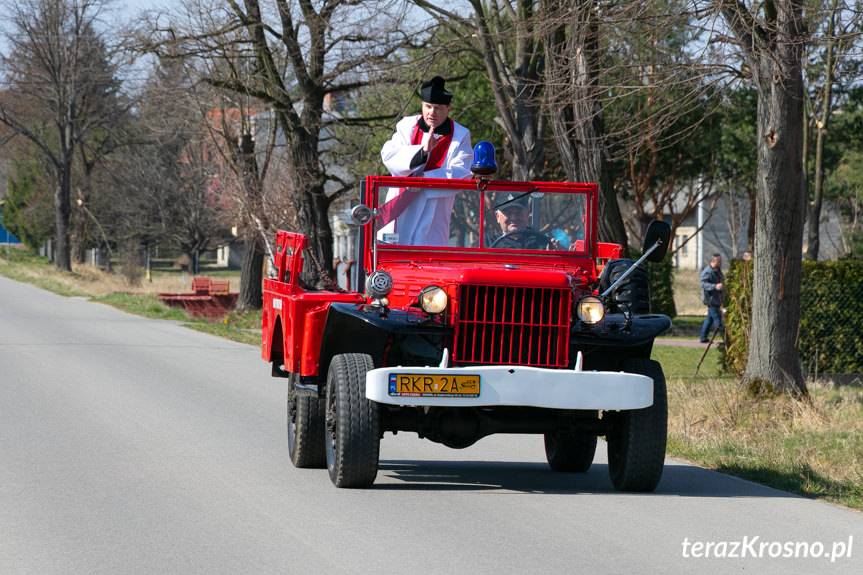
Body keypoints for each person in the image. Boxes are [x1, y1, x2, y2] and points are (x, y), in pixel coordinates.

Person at [379, 76, 473, 246]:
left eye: (437, 108)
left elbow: (463, 174)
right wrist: (422, 152)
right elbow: (389, 155)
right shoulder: (406, 126)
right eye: (428, 107)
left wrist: (424, 180)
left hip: (434, 210)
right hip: (399, 209)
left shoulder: (460, 135)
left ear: (448, 108)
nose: (432, 112)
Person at [699, 253, 724, 343]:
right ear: (713, 261)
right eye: (719, 261)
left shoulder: (718, 271)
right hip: (711, 299)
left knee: (709, 320)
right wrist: (715, 286)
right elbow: (703, 284)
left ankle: (703, 337)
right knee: (718, 320)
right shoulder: (707, 272)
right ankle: (726, 338)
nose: (721, 262)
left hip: (717, 298)